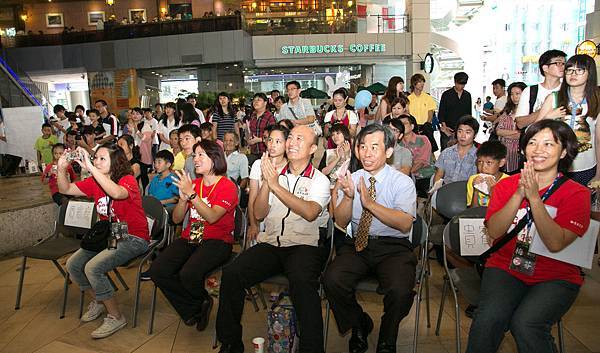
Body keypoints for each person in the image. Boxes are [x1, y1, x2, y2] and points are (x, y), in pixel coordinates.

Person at [466, 119, 591, 353]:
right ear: (523, 149)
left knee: (526, 324)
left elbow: (555, 243)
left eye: (548, 144)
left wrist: (534, 198)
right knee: (488, 319)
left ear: (564, 152)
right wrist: (518, 194)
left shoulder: (577, 193)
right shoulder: (504, 186)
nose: (538, 150)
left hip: (556, 274)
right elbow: (494, 232)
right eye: (532, 143)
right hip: (506, 267)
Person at [216, 125, 330, 353]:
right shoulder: (274, 174)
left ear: (313, 148)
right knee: (232, 274)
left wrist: (277, 186)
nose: (292, 142)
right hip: (272, 243)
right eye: (291, 138)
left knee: (303, 283)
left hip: (304, 245)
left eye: (300, 139)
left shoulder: (319, 180)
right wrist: (269, 184)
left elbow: (309, 212)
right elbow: (258, 214)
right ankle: (230, 343)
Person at [324, 123, 417, 353]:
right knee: (332, 279)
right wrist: (347, 197)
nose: (367, 153)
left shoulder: (402, 182)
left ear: (388, 151)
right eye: (362, 146)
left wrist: (370, 204)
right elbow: (342, 222)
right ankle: (359, 323)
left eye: (374, 147)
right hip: (358, 245)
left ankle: (387, 337)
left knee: (401, 289)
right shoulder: (350, 178)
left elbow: (405, 223)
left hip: (393, 247)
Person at [60, 144, 150, 338]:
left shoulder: (127, 179)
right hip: (112, 234)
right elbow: (65, 188)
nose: (96, 162)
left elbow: (117, 193)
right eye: (96, 158)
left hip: (134, 236)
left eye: (102, 159)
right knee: (73, 265)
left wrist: (90, 168)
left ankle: (116, 316)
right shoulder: (95, 182)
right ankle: (100, 300)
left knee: (93, 268)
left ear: (115, 162)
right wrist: (60, 168)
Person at [150, 140, 239, 332]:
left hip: (218, 239)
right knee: (158, 270)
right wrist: (183, 200)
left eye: (201, 155)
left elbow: (212, 217)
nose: (195, 159)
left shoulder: (227, 186)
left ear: (215, 159)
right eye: (195, 155)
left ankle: (196, 306)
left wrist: (191, 195)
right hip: (195, 234)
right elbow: (176, 218)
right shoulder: (194, 184)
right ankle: (197, 305)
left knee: (189, 273)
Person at [536, 54, 600, 186]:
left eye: (579, 70)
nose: (573, 74)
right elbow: (533, 132)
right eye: (569, 69)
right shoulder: (553, 98)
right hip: (556, 167)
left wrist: (598, 173)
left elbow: (598, 140)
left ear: (590, 73)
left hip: (587, 168)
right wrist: (548, 117)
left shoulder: (595, 101)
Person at [247, 125, 289, 241]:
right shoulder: (258, 164)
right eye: (269, 140)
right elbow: (252, 199)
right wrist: (253, 225)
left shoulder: (291, 167)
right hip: (260, 218)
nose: (272, 144)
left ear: (287, 144)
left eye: (278, 141)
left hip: (282, 221)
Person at [515, 50, 567, 130]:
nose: (563, 67)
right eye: (558, 63)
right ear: (545, 68)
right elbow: (520, 123)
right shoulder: (530, 91)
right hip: (535, 138)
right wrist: (546, 108)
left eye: (564, 63)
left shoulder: (567, 90)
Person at [433, 115, 479, 185]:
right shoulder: (446, 153)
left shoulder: (478, 157)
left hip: (466, 193)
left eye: (467, 132)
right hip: (446, 190)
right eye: (460, 131)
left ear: (475, 135)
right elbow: (439, 175)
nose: (463, 136)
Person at [398, 115, 436, 198]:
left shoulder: (422, 139)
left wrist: (406, 173)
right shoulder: (398, 143)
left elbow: (421, 162)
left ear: (412, 126)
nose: (402, 126)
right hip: (405, 176)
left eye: (405, 123)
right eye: (400, 124)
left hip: (424, 175)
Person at [466, 140, 509, 207]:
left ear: (501, 163)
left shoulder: (508, 181)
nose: (483, 167)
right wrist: (476, 191)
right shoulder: (473, 179)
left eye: (489, 163)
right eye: (480, 162)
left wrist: (493, 192)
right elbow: (473, 211)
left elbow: (506, 211)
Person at [496, 82, 527, 174]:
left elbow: (520, 136)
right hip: (504, 154)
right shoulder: (507, 111)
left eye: (518, 94)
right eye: (512, 94)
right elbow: (498, 131)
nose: (514, 97)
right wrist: (515, 132)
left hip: (518, 157)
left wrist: (506, 133)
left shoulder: (528, 114)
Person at [438, 72, 472, 150]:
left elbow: (469, 114)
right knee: (446, 151)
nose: (461, 86)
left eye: (463, 84)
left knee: (462, 151)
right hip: (448, 129)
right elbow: (441, 112)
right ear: (455, 82)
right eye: (459, 84)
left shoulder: (467, 95)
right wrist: (445, 127)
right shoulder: (446, 94)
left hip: (462, 130)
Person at [407, 73, 438, 152]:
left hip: (425, 127)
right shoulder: (408, 99)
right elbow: (407, 114)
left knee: (428, 149)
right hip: (413, 128)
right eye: (420, 82)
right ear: (414, 84)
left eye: (423, 82)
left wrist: (427, 125)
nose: (422, 84)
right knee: (415, 149)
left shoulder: (428, 98)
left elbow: (430, 113)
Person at [246, 92, 276, 166]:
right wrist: (249, 139)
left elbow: (273, 135)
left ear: (265, 103)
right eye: (254, 100)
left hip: (266, 152)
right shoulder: (252, 116)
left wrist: (259, 139)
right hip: (253, 151)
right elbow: (251, 132)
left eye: (259, 100)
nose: (255, 102)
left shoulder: (269, 117)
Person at [319, 123, 352, 188]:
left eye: (338, 133)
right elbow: (322, 172)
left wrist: (347, 154)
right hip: (329, 187)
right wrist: (338, 158)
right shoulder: (328, 152)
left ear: (345, 134)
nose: (335, 137)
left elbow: (353, 172)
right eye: (333, 135)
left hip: (346, 187)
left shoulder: (353, 152)